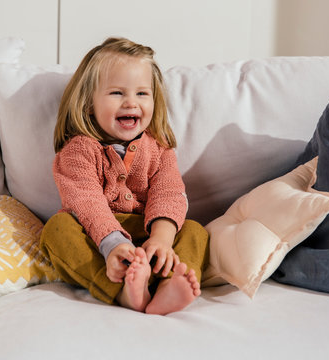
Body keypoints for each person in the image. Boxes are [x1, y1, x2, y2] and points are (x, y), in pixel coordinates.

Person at [40, 37, 209, 315]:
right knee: (57, 229)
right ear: (88, 104)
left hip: (149, 235)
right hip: (98, 239)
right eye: (117, 93)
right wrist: (114, 245)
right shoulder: (78, 150)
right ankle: (123, 292)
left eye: (142, 94)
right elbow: (86, 202)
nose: (131, 102)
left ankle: (168, 286)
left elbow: (169, 193)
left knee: (194, 231)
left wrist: (162, 240)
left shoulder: (160, 149)